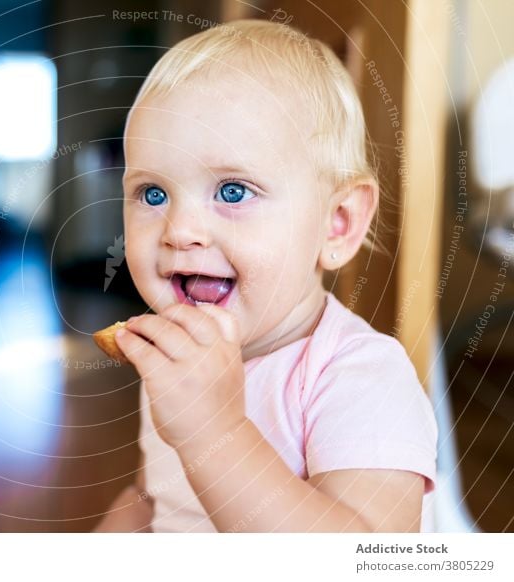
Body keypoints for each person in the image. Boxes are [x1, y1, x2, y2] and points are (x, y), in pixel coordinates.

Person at [93, 19, 437, 533]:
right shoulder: (178, 364)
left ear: (337, 224)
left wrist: (214, 432)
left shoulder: (361, 379)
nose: (179, 230)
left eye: (233, 191)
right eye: (153, 194)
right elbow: (149, 500)